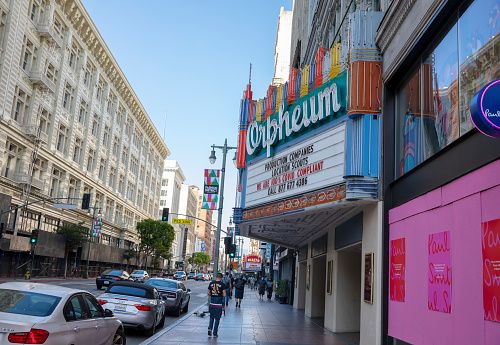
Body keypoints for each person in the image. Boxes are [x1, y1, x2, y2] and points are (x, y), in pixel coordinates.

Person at [207, 272, 226, 337]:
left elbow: (208, 292)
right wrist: (220, 294)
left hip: (212, 303)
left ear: (216, 277)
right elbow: (224, 294)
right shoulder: (222, 284)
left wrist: (213, 294)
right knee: (217, 318)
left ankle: (210, 328)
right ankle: (215, 333)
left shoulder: (211, 283)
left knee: (211, 317)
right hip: (218, 304)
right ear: (221, 278)